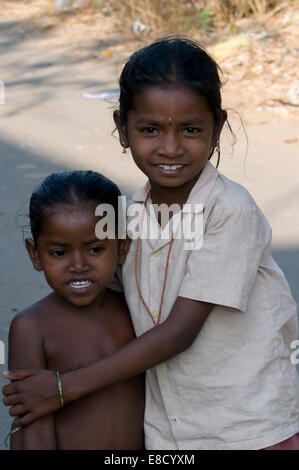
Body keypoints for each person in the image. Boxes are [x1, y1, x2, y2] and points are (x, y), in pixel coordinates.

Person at [3, 37, 299, 450]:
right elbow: (91, 285)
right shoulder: (124, 217)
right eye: (150, 129)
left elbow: (179, 332)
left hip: (243, 426)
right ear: (122, 128)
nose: (171, 147)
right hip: (168, 431)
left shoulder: (230, 210)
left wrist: (61, 388)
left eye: (191, 129)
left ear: (218, 127)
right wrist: (32, 347)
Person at [4, 171, 145, 449]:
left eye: (95, 249)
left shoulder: (136, 310)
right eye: (59, 252)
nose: (78, 264)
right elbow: (34, 419)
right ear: (35, 253)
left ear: (121, 247)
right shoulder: (32, 326)